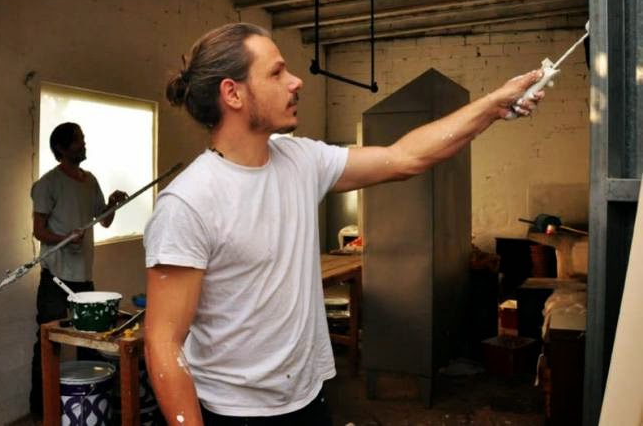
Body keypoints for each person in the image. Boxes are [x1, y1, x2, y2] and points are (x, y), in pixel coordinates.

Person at [143, 23, 543, 425]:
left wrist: (492, 106)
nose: (296, 81)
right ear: (233, 94)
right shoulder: (189, 202)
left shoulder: (300, 160)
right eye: (277, 72)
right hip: (231, 413)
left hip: (308, 399)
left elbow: (405, 157)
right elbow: (163, 343)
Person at [29, 122, 127, 417]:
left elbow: (104, 220)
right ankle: (42, 412)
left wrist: (112, 204)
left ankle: (89, 410)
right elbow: (38, 231)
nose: (83, 145)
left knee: (89, 341)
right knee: (48, 343)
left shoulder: (90, 180)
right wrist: (64, 238)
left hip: (84, 279)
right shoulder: (48, 184)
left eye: (82, 140)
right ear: (61, 147)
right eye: (77, 141)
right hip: (56, 280)